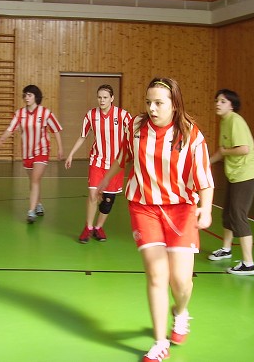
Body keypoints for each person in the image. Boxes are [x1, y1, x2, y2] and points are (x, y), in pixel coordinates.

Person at [97, 77, 214, 362]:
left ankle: (181, 311)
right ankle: (160, 342)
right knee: (157, 274)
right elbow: (123, 156)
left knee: (181, 282)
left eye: (159, 103)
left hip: (181, 210)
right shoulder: (136, 127)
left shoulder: (191, 136)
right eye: (148, 102)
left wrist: (207, 209)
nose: (152, 108)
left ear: (174, 105)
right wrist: (104, 182)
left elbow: (205, 180)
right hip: (144, 207)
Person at [65, 84, 132, 243]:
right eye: (99, 97)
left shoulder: (122, 115)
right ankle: (88, 228)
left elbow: (134, 134)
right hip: (97, 160)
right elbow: (83, 136)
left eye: (105, 97)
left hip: (116, 164)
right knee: (93, 195)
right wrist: (71, 154)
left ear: (112, 99)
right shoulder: (90, 115)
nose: (102, 100)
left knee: (108, 201)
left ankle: (98, 227)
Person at [208, 89, 254, 275]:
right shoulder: (225, 122)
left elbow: (244, 149)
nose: (218, 103)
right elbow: (221, 150)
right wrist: (205, 163)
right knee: (228, 214)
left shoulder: (235, 121)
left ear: (232, 105)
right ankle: (226, 249)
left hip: (247, 175)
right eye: (217, 100)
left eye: (222, 101)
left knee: (238, 215)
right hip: (234, 174)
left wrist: (225, 153)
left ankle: (248, 263)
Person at [0, 85, 63, 224]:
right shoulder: (19, 113)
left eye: (29, 95)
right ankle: (38, 204)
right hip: (27, 152)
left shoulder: (45, 113)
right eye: (25, 95)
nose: (26, 98)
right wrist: (3, 137)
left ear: (36, 97)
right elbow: (11, 128)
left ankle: (31, 211)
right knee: (34, 181)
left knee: (34, 180)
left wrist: (60, 148)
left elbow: (56, 130)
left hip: (42, 150)